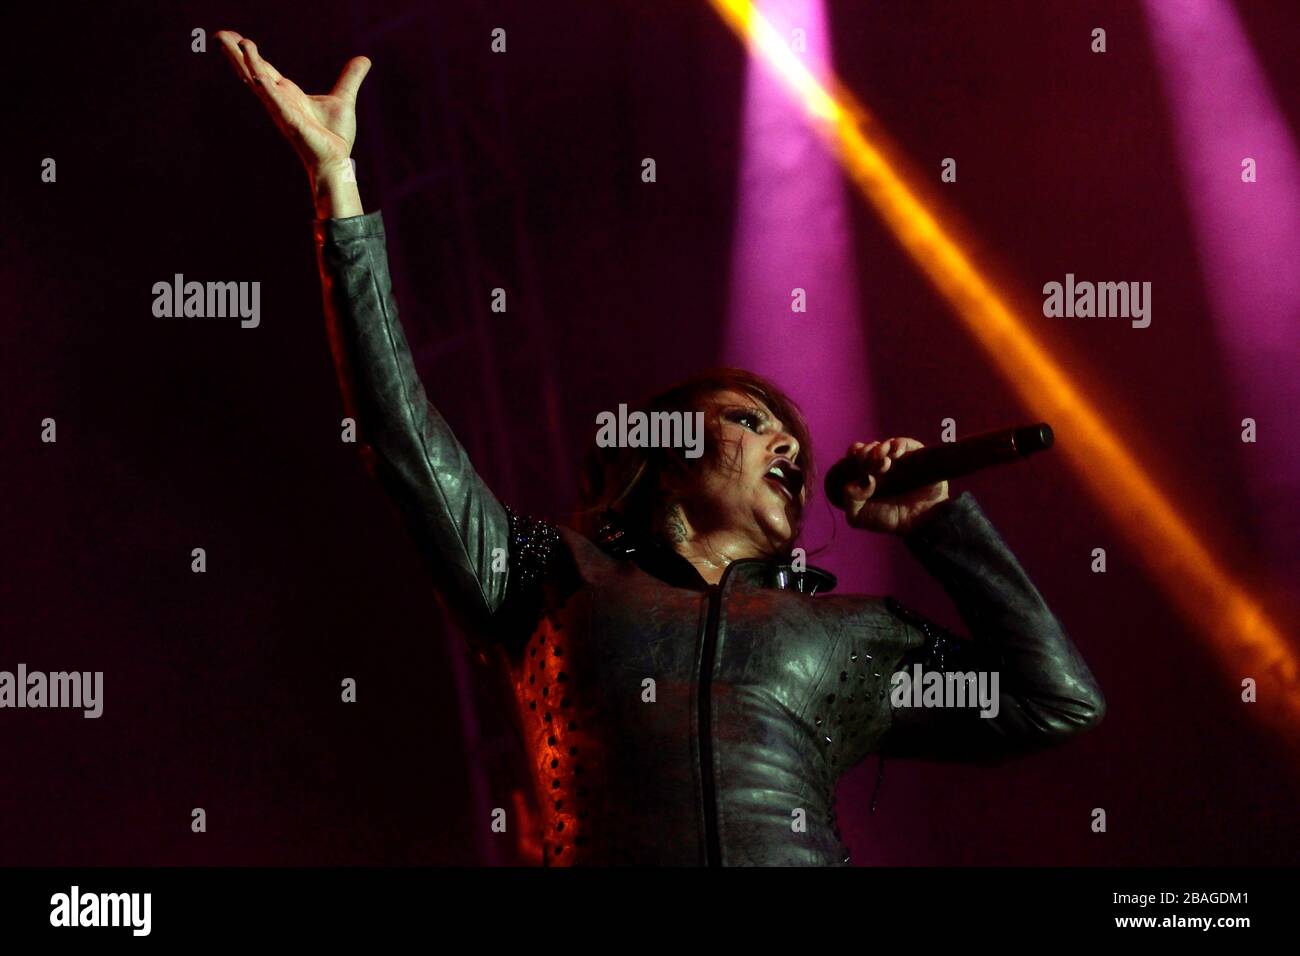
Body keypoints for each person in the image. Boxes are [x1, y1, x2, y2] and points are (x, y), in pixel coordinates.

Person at [216, 33, 1105, 866]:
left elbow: (1054, 701)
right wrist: (338, 185)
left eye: (790, 432)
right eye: (749, 422)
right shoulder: (546, 576)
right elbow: (399, 431)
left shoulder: (855, 637)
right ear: (667, 451)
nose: (787, 440)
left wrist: (942, 526)